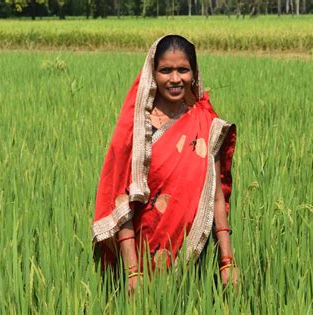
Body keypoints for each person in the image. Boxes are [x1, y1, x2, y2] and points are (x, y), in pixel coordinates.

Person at [92, 35, 239, 294]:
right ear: (153, 73)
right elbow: (121, 201)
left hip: (195, 257)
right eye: (165, 70)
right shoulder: (137, 129)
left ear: (194, 73)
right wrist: (132, 271)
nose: (174, 79)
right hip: (142, 255)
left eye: (183, 69)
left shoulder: (206, 122)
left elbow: (216, 196)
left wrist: (227, 261)